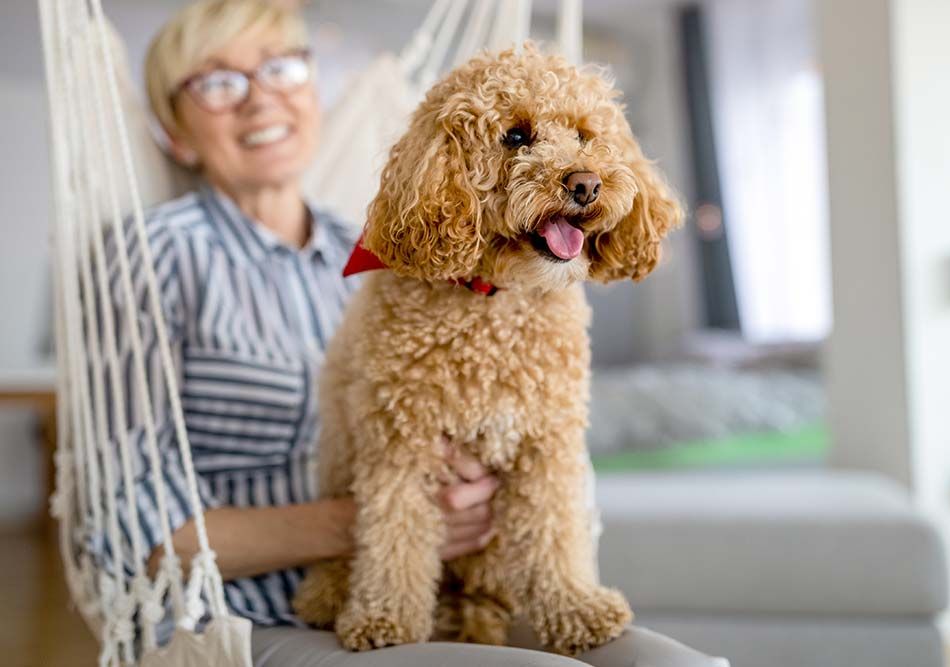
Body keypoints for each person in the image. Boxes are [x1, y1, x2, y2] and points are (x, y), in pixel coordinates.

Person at [109, 1, 729, 665]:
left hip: (486, 578)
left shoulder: (363, 248)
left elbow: (546, 457)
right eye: (219, 82)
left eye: (282, 68)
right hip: (251, 611)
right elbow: (130, 529)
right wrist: (371, 526)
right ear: (175, 131)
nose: (262, 99)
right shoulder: (154, 258)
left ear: (314, 88)